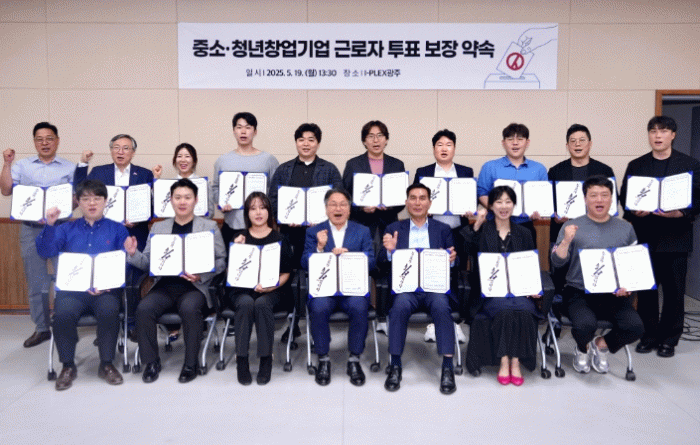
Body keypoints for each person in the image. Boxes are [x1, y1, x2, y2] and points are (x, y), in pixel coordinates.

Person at [125, 179, 226, 383]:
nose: (182, 202)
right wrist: (133, 254)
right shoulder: (158, 228)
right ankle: (151, 362)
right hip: (165, 286)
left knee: (189, 308)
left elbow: (221, 260)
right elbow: (147, 263)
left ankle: (191, 364)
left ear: (196, 200)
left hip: (194, 287)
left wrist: (201, 276)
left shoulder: (209, 226)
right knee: (144, 309)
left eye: (187, 197)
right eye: (178, 197)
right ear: (170, 200)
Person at [35, 179, 129, 390]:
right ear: (78, 202)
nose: (92, 203)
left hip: (105, 289)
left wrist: (108, 283)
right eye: (86, 199)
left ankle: (106, 364)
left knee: (109, 310)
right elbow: (45, 252)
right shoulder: (65, 228)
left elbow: (124, 263)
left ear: (105, 201)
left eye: (97, 198)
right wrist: (49, 225)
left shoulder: (117, 229)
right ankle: (68, 366)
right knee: (62, 315)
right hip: (72, 290)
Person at [620, 116, 700, 358]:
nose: (657, 135)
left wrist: (681, 212)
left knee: (674, 293)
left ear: (672, 135)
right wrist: (633, 211)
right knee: (646, 291)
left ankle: (669, 339)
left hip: (676, 239)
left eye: (663, 131)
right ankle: (648, 335)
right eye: (653, 131)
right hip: (645, 237)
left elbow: (698, 198)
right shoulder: (637, 165)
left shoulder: (690, 165)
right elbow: (625, 196)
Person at [1, 122, 85, 348]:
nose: (44, 143)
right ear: (34, 142)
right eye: (39, 139)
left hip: (61, 229)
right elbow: (6, 190)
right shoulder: (22, 166)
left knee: (65, 278)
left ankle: (65, 324)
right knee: (36, 282)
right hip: (31, 229)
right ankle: (41, 328)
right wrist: (7, 163)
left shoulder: (69, 168)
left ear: (57, 141)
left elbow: (77, 199)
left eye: (49, 138)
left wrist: (63, 207)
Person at [552, 176, 644, 374]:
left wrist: (628, 285)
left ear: (612, 199)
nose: (599, 200)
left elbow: (634, 264)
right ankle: (582, 348)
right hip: (578, 291)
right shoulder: (571, 226)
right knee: (585, 325)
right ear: (585, 199)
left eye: (604, 195)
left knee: (635, 327)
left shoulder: (625, 228)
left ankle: (600, 345)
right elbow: (557, 262)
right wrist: (566, 241)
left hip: (613, 294)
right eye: (593, 195)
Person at [462, 186, 546, 386]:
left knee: (524, 310)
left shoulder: (525, 232)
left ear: (514, 205)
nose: (504, 206)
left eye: (508, 201)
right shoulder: (482, 230)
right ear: (490, 206)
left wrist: (533, 287)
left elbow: (530, 263)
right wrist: (477, 225)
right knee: (505, 311)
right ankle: (504, 360)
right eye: (499, 202)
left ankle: (515, 361)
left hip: (519, 290)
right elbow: (466, 249)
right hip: (490, 291)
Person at [380, 183, 459, 394]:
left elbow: (456, 261)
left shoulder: (442, 229)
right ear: (406, 203)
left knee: (442, 307)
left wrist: (452, 259)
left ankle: (447, 367)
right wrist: (390, 251)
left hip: (434, 287)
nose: (417, 202)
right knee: (399, 307)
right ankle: (395, 365)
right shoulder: (394, 228)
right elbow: (380, 262)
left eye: (422, 198)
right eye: (413, 198)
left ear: (429, 203)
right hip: (406, 288)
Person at [269, 123, 343, 343]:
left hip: (320, 236)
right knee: (291, 280)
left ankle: (316, 325)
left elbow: (339, 201)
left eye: (311, 139)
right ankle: (293, 325)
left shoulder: (330, 169)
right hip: (290, 235)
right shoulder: (283, 169)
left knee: (317, 278)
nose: (306, 144)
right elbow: (273, 200)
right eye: (301, 139)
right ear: (296, 143)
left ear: (317, 143)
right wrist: (284, 217)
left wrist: (323, 219)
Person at [301, 189, 376, 387]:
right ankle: (323, 359)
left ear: (349, 209)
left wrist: (351, 257)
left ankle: (354, 359)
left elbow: (371, 262)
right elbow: (304, 263)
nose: (338, 208)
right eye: (333, 204)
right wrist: (319, 248)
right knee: (318, 308)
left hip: (352, 289)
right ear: (326, 209)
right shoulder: (314, 232)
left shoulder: (362, 231)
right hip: (325, 289)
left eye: (343, 204)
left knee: (360, 307)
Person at [413, 129, 474, 344]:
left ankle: (455, 324)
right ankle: (432, 323)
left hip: (458, 231)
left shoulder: (465, 172)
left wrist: (470, 209)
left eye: (448, 144)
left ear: (454, 148)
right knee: (432, 275)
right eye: (440, 145)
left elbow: (472, 198)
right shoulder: (424, 172)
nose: (444, 148)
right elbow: (416, 201)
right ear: (433, 149)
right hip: (433, 232)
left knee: (456, 274)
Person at [226, 192, 293, 386]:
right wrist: (236, 250)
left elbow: (286, 272)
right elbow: (231, 272)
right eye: (253, 208)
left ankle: (265, 360)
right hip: (242, 289)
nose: (258, 212)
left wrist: (272, 286)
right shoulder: (239, 237)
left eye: (262, 208)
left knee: (263, 304)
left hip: (274, 289)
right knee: (246, 303)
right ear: (247, 213)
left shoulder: (280, 238)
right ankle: (242, 360)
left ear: (269, 212)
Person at [548, 124, 615, 292]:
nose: (577, 144)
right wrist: (554, 215)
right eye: (573, 141)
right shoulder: (555, 171)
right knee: (560, 282)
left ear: (590, 144)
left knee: (595, 279)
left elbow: (612, 203)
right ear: (567, 146)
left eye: (582, 140)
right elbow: (548, 203)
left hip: (596, 234)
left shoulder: (604, 171)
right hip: (563, 233)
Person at [75, 134, 154, 250]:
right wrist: (83, 163)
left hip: (134, 235)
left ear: (133, 153)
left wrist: (138, 220)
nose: (120, 152)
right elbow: (80, 190)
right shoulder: (98, 172)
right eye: (116, 147)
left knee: (135, 261)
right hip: (103, 233)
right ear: (111, 151)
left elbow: (152, 204)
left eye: (125, 148)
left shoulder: (145, 174)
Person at [212, 112, 279, 248]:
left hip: (262, 228)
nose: (243, 131)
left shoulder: (268, 160)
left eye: (248, 127)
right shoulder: (223, 160)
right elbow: (215, 188)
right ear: (234, 131)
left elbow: (276, 191)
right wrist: (222, 203)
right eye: (239, 127)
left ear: (255, 132)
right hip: (232, 226)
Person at [476, 123, 548, 244]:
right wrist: (499, 209)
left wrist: (540, 211)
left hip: (526, 226)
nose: (515, 143)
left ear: (527, 143)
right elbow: (482, 193)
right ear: (503, 143)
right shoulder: (490, 167)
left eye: (520, 139)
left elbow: (543, 198)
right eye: (510, 139)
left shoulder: (539, 169)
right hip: (495, 226)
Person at [342, 120, 405, 243]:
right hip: (360, 223)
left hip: (388, 224)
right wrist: (361, 209)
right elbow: (345, 196)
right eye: (371, 136)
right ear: (364, 141)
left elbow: (403, 199)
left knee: (387, 255)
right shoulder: (353, 164)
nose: (376, 140)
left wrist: (390, 207)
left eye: (380, 135)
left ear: (386, 139)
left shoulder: (397, 165)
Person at [152, 142, 216, 218]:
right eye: (179, 156)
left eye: (187, 156)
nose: (183, 160)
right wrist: (156, 178)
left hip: (198, 225)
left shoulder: (204, 183)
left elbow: (210, 212)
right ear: (175, 160)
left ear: (194, 160)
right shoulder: (168, 184)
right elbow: (158, 207)